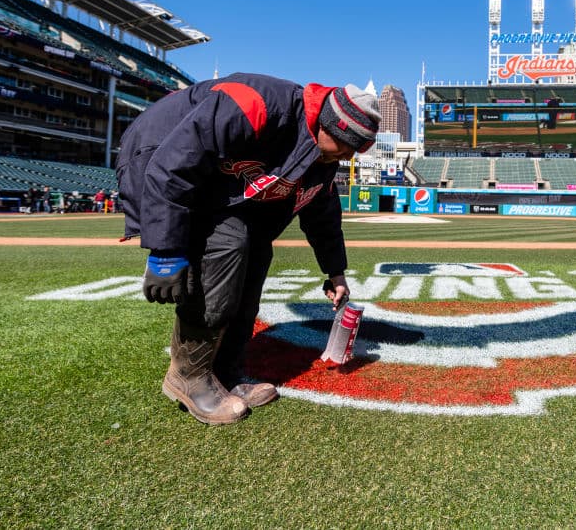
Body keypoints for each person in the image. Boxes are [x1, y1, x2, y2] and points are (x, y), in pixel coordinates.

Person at [116, 73, 381, 425]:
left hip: (219, 184)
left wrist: (335, 273)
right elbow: (173, 165)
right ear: (328, 126)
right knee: (228, 243)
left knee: (256, 250)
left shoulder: (322, 158)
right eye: (346, 145)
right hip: (157, 156)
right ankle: (188, 376)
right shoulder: (254, 104)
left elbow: (323, 214)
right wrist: (166, 250)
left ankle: (226, 373)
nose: (347, 156)